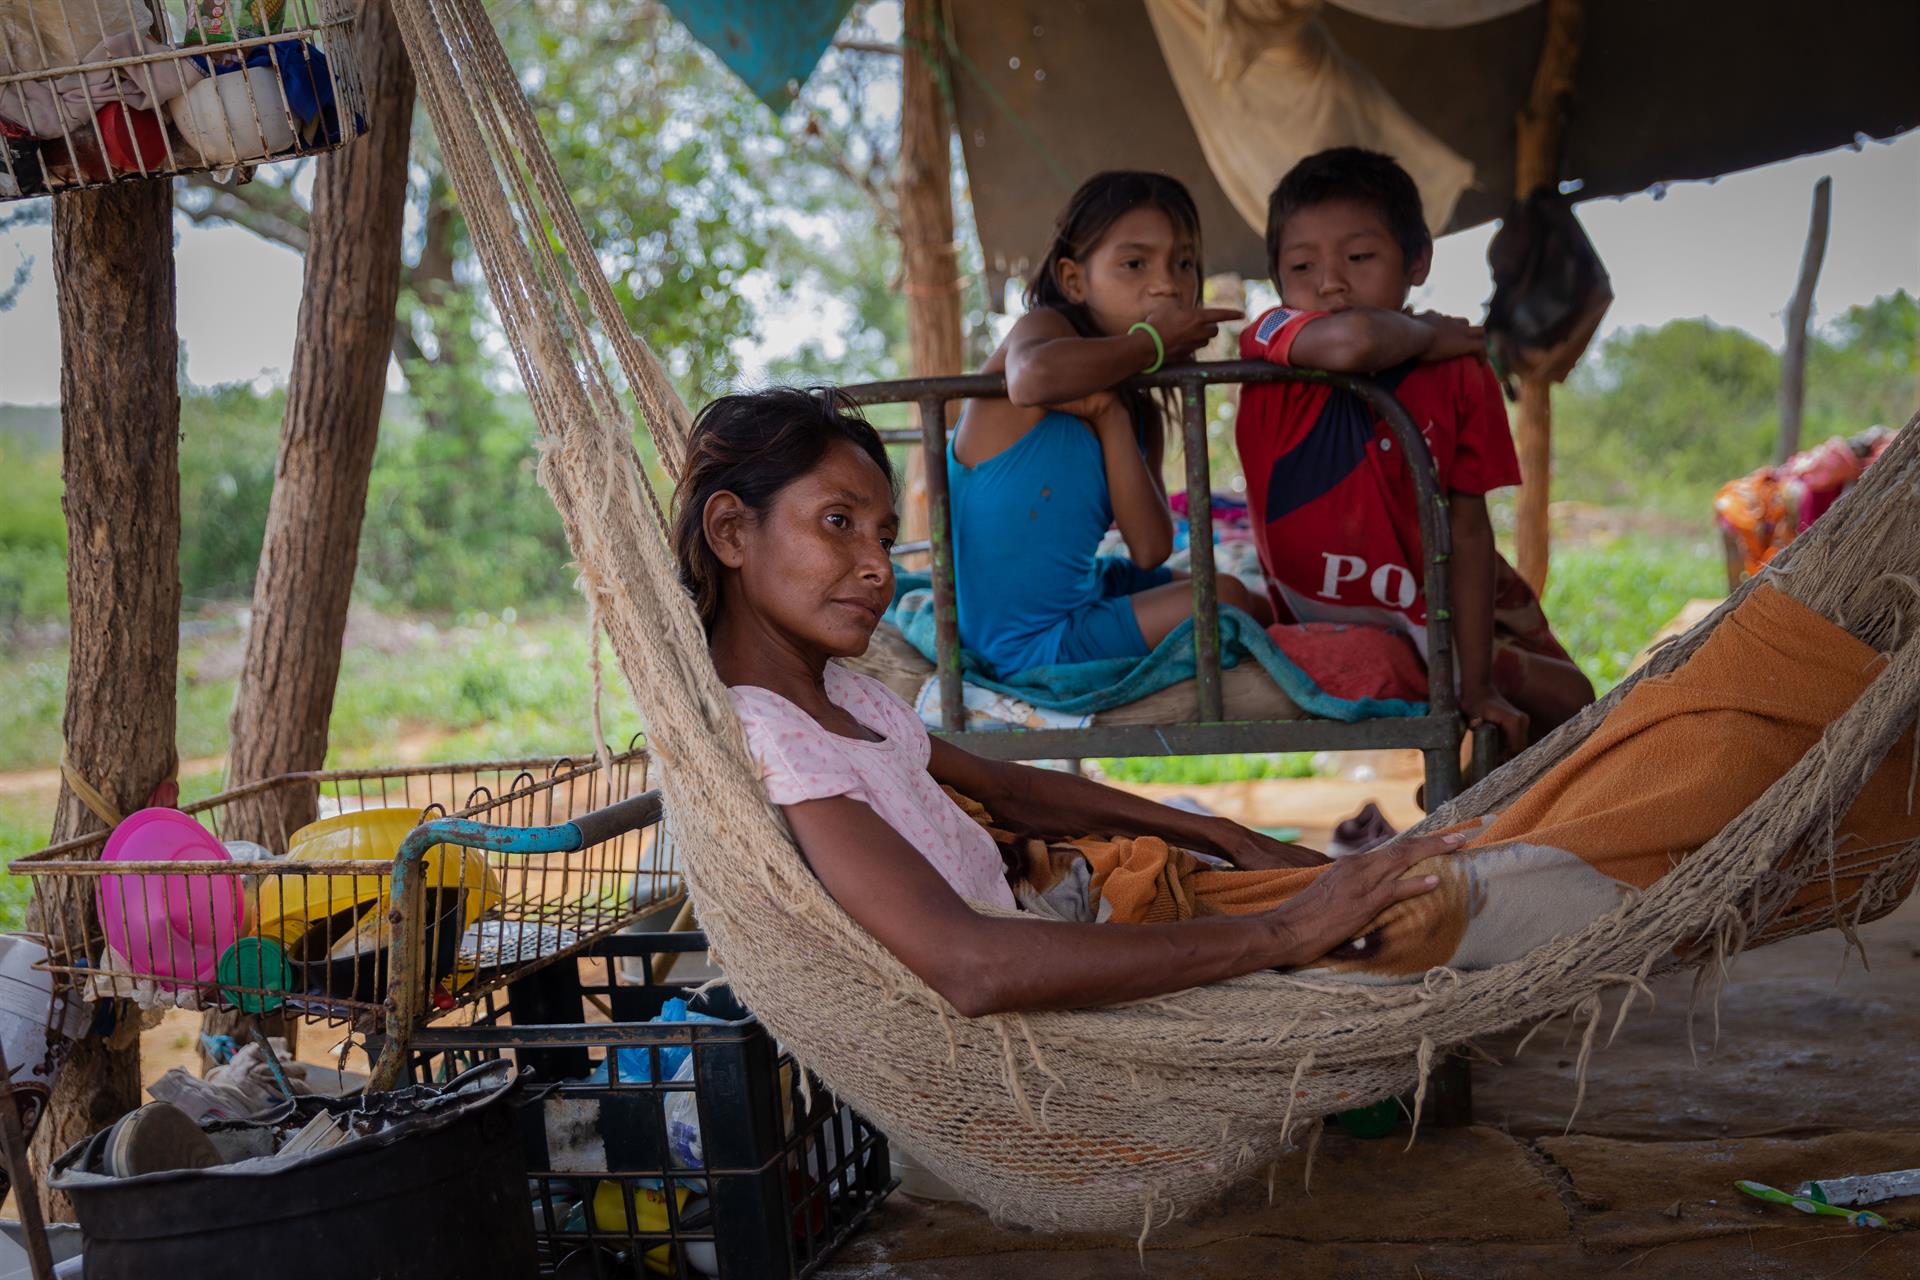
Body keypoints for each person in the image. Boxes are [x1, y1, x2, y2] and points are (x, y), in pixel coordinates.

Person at [675, 387, 1459, 1017]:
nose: (878, 566)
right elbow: (969, 965)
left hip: (1041, 922)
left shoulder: (841, 694)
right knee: (1410, 926)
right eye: (838, 523)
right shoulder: (771, 736)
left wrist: (1222, 834)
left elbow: (1012, 789)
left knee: (1402, 900)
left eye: (883, 536)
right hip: (1014, 997)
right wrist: (1282, 934)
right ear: (731, 532)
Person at [1236, 148, 1594, 752]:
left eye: (1359, 257)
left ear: (1419, 259)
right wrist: (1428, 332)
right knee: (1556, 699)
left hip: (1431, 601)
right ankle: (1478, 792)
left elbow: (1471, 529)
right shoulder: (1270, 340)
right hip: (1328, 605)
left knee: (1574, 700)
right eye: (1301, 267)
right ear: (1275, 281)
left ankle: (1486, 803)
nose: (1329, 283)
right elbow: (1352, 344)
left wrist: (1477, 683)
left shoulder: (1459, 369)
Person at [949, 170, 1269, 679]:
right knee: (1225, 597)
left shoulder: (1134, 403)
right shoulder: (1045, 330)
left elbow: (1149, 549)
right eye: (1134, 263)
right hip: (1027, 644)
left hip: (1084, 593)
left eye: (1183, 263)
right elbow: (1031, 379)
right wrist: (1151, 342)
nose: (1167, 283)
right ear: (1074, 280)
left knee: (1236, 590)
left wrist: (1111, 415)